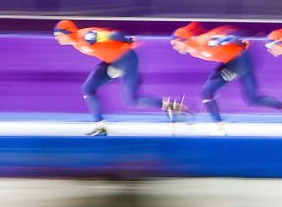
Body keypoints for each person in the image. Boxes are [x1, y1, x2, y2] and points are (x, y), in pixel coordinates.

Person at [54, 20, 188, 136]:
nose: (57, 38)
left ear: (68, 32)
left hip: (127, 59)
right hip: (112, 62)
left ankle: (170, 105)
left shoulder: (86, 36)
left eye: (59, 35)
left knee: (132, 100)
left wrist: (127, 40)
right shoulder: (76, 43)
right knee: (88, 88)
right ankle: (100, 127)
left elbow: (113, 35)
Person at [170, 22, 282, 133]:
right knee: (253, 99)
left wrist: (232, 38)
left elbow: (234, 34)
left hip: (239, 61)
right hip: (235, 61)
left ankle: (219, 127)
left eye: (175, 44)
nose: (174, 47)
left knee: (207, 91)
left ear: (183, 40)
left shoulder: (204, 41)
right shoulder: (193, 52)